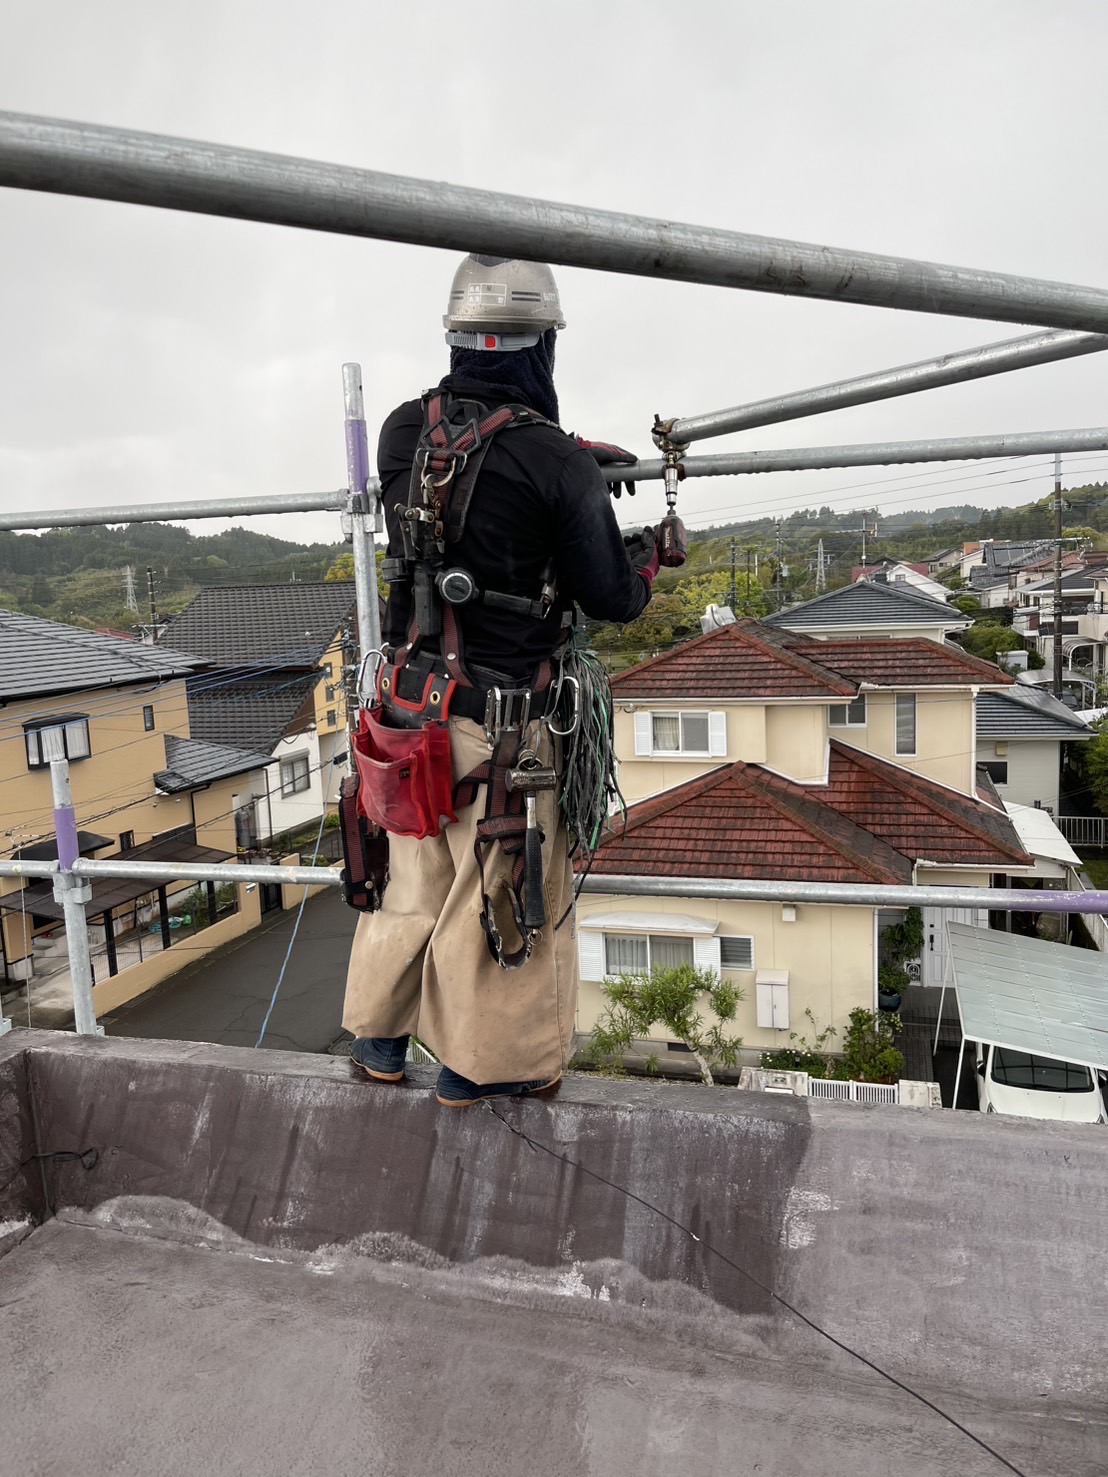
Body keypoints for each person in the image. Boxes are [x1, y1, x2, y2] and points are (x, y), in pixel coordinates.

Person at [342, 254, 659, 1106]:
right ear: (541, 346)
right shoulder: (557, 464)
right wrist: (644, 553)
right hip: (500, 725)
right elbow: (613, 597)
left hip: (409, 709)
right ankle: (476, 1068)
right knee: (502, 890)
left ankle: (378, 1043)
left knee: (412, 881)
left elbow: (460, 509)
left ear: (457, 341)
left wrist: (569, 467)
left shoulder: (402, 431)